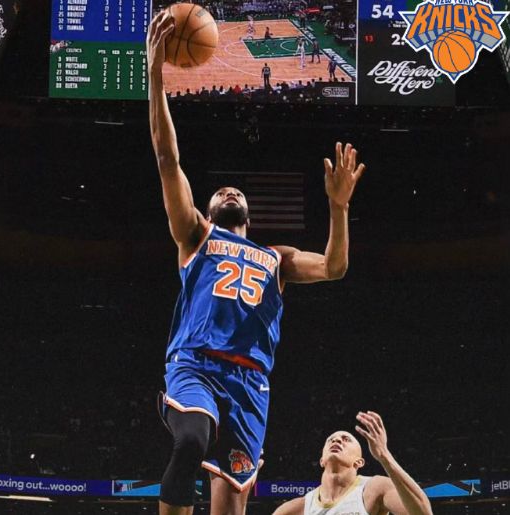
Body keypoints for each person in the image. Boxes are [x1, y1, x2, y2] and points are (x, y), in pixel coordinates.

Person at [147, 12, 366, 515]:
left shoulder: (277, 259)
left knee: (230, 506)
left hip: (251, 384)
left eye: (236, 192)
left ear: (248, 213)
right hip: (197, 364)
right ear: (209, 210)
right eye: (221, 191)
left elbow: (334, 267)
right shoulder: (196, 234)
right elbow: (166, 159)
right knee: (190, 441)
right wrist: (155, 75)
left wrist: (338, 208)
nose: (230, 192)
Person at [273, 412, 433, 515]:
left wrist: (384, 456)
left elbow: (422, 513)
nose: (336, 440)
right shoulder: (297, 508)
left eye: (346, 439)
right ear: (322, 460)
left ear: (359, 462)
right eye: (331, 439)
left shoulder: (373, 488)